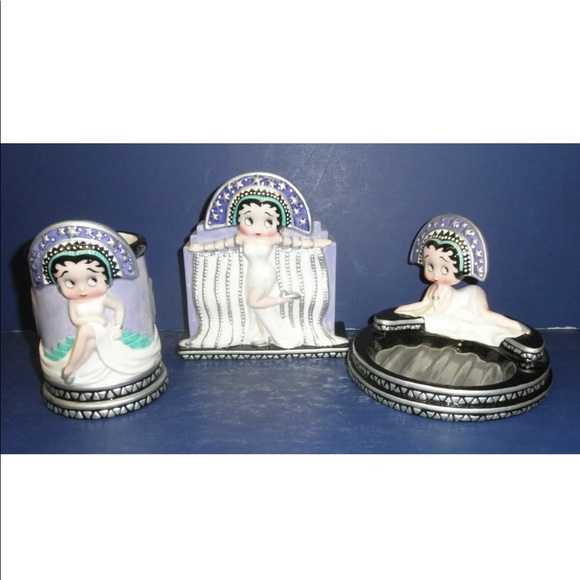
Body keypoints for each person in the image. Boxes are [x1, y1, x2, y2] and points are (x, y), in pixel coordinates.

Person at [188, 197, 333, 347]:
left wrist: (316, 243)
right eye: (249, 220)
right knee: (255, 308)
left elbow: (297, 242)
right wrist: (201, 248)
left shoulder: (273, 238)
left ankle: (284, 298)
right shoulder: (242, 238)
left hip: (265, 274)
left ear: (277, 223)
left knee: (254, 302)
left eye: (268, 222)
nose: (258, 228)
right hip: (252, 275)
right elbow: (221, 244)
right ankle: (263, 335)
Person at [46, 251, 158, 385]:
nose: (82, 289)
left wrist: (118, 326)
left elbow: (119, 307)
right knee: (90, 342)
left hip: (103, 330)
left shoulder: (102, 298)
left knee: (85, 331)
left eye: (92, 280)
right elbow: (76, 320)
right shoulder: (73, 301)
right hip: (90, 328)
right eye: (70, 283)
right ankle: (74, 370)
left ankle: (70, 367)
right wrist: (96, 319)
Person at [395, 239, 529, 347]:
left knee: (485, 316)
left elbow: (439, 311)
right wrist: (403, 309)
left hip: (469, 298)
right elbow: (423, 304)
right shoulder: (432, 288)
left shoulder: (446, 291)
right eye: (430, 266)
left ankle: (515, 326)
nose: (436, 274)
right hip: (456, 306)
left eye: (445, 269)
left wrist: (436, 296)